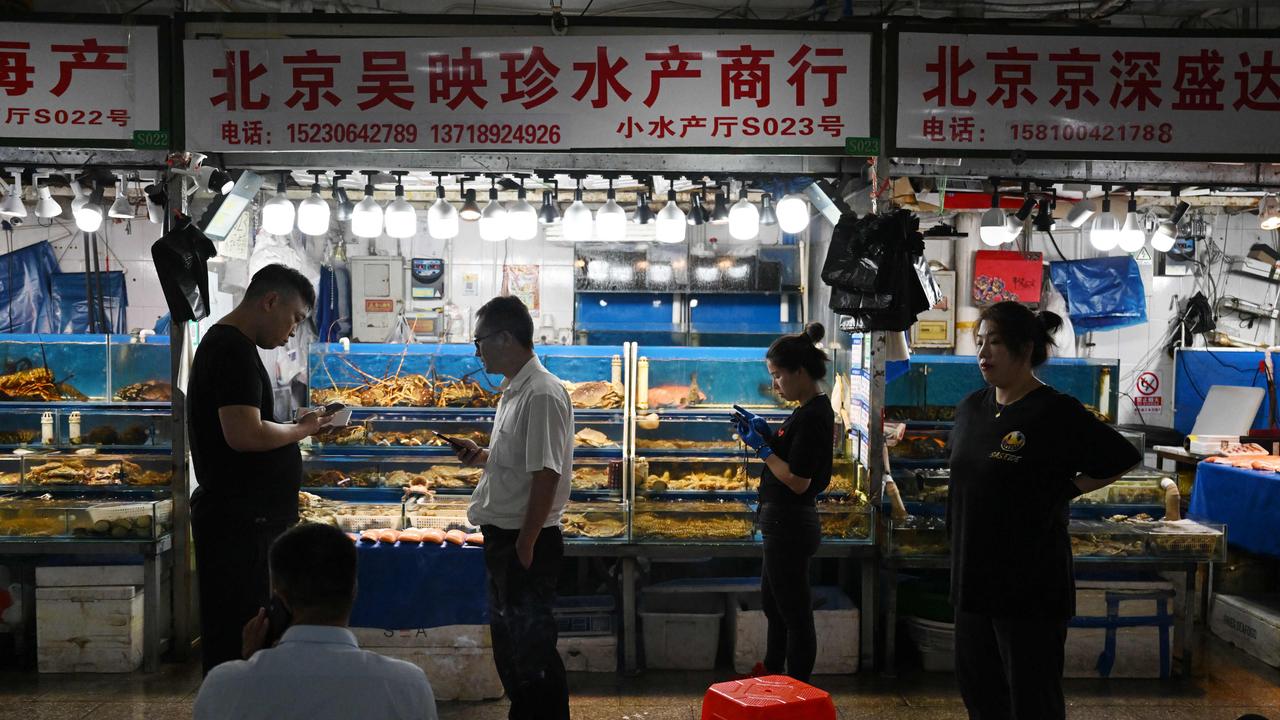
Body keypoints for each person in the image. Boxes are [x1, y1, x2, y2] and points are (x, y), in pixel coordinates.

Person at [948, 301, 1141, 720]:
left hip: (1030, 584)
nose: (983, 353)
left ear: (1025, 348)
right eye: (979, 342)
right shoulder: (970, 409)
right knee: (979, 692)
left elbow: (1122, 455)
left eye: (995, 342)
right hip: (973, 580)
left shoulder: (1055, 411)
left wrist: (1065, 489)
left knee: (1032, 700)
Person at [188, 264, 334, 675]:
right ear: (270, 301)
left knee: (245, 627)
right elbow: (244, 434)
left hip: (244, 520)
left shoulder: (233, 346)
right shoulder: (231, 349)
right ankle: (236, 704)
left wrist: (296, 425)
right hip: (241, 524)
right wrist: (302, 430)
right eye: (295, 319)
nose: (293, 331)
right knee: (241, 630)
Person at [455, 295, 573, 720]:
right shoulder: (515, 390)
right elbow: (522, 459)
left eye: (479, 341)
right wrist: (482, 454)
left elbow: (547, 473)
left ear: (504, 338)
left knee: (532, 655)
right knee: (513, 651)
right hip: (506, 539)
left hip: (524, 540)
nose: (476, 351)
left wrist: (526, 543)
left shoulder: (541, 393)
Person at [193, 522, 437, 720]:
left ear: (279, 592)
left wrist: (250, 664)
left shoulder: (223, 684)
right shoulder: (406, 684)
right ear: (354, 589)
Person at [735, 323, 834, 683]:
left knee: (794, 613)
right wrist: (767, 435)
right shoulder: (805, 410)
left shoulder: (814, 416)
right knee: (774, 605)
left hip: (791, 523)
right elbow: (790, 459)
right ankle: (773, 673)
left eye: (778, 376)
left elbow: (797, 480)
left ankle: (796, 688)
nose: (775, 384)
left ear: (800, 372)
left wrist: (762, 450)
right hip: (781, 523)